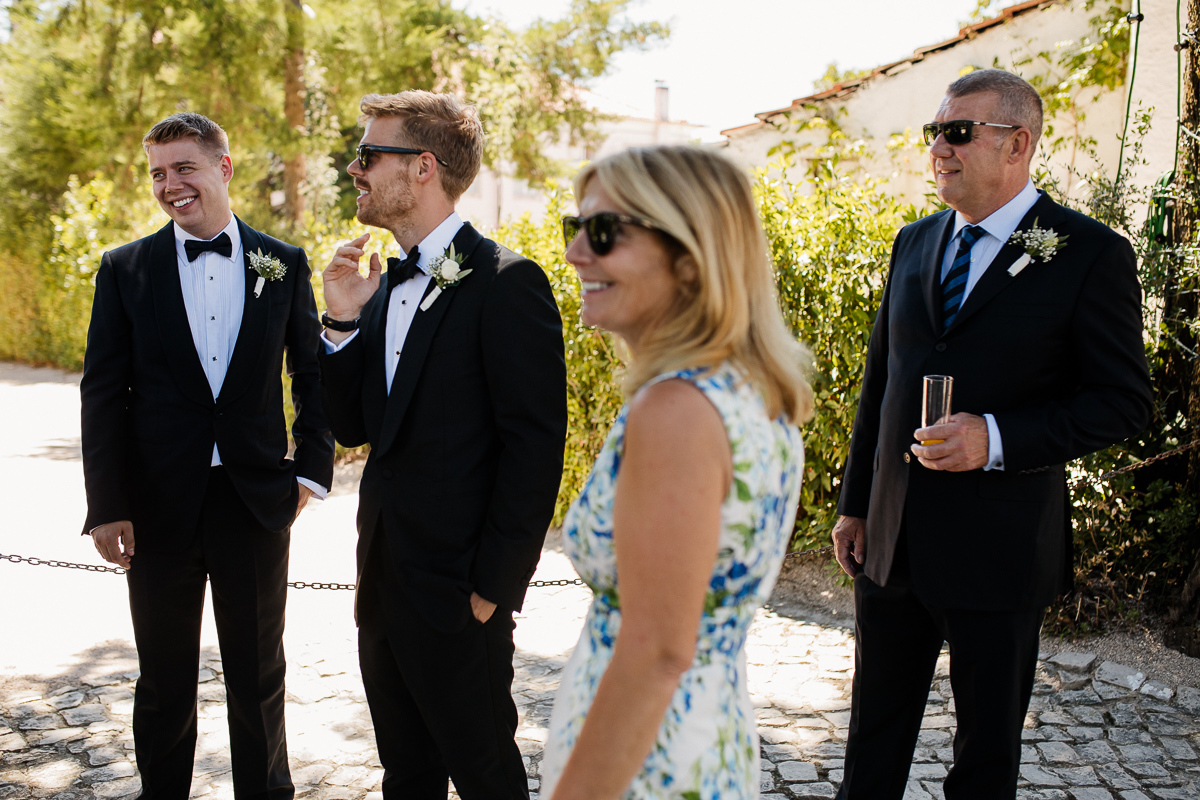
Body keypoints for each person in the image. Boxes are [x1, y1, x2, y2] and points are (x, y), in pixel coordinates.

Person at [832, 69, 1153, 799]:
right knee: (871, 741)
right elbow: (880, 386)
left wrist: (997, 437)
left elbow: (1123, 402)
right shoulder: (913, 243)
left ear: (1019, 144)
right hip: (893, 538)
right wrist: (856, 504)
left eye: (958, 131)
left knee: (985, 759)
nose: (939, 147)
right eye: (934, 132)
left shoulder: (1086, 253)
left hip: (999, 548)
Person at [540, 145, 814, 800]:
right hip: (704, 739)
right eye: (573, 229)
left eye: (603, 233)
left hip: (646, 769)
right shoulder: (747, 392)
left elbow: (658, 651)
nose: (577, 253)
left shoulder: (676, 411)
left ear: (689, 259)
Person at [317, 90, 567, 800]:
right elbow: (357, 428)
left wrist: (495, 588)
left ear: (423, 167)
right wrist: (339, 322)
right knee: (408, 776)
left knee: (486, 773)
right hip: (384, 584)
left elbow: (534, 445)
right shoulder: (380, 283)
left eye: (369, 154)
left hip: (462, 593)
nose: (354, 169)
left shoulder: (506, 282)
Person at [80, 112, 334, 799]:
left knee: (259, 675)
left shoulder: (282, 263)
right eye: (159, 173)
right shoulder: (124, 269)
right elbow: (102, 395)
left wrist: (308, 475)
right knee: (163, 680)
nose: (170, 185)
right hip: (156, 508)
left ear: (223, 167)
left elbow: (311, 376)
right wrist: (106, 506)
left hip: (254, 502)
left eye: (184, 168)